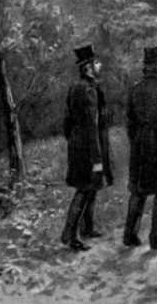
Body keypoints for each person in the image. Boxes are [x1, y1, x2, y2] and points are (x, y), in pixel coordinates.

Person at [61, 44, 113, 251]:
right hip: (89, 147)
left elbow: (67, 121)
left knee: (91, 186)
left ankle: (87, 228)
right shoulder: (89, 90)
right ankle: (69, 234)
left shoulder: (76, 87)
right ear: (88, 67)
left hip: (78, 144)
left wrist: (73, 140)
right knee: (84, 189)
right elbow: (92, 124)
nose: (100, 65)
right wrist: (97, 158)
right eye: (96, 63)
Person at [123, 46, 157, 249]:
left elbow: (129, 122)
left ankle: (130, 236)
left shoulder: (135, 90)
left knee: (138, 191)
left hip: (139, 146)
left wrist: (136, 141)